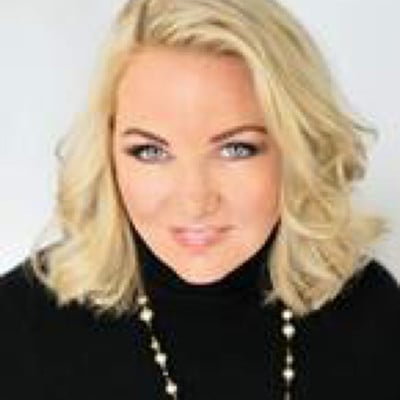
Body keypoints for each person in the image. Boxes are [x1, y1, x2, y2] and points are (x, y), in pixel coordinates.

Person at [0, 0, 399, 399]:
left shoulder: (372, 313)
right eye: (151, 151)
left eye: (236, 149)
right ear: (107, 155)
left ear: (298, 149)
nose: (194, 201)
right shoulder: (17, 327)